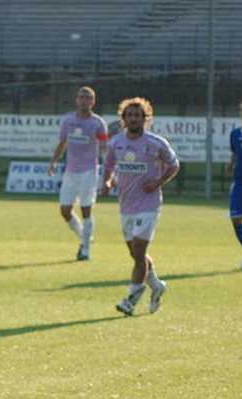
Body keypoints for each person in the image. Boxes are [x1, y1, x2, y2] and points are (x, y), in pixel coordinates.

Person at [103, 97, 179, 316]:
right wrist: (107, 182)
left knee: (138, 250)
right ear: (124, 119)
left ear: (146, 119)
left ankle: (131, 299)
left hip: (149, 204)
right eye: (130, 115)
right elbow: (108, 166)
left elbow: (174, 165)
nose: (134, 118)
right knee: (136, 254)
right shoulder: (116, 142)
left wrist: (157, 182)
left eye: (138, 115)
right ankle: (156, 285)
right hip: (126, 205)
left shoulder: (156, 142)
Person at [48, 86, 108, 261]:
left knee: (86, 209)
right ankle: (85, 236)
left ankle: (85, 250)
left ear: (93, 101)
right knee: (65, 210)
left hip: (89, 171)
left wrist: (109, 171)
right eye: (81, 97)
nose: (84, 100)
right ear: (77, 100)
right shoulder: (68, 121)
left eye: (88, 97)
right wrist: (53, 162)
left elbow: (104, 148)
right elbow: (62, 143)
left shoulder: (98, 123)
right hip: (70, 171)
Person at [227, 98, 242, 269]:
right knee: (235, 219)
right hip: (240, 183)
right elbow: (234, 153)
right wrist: (230, 164)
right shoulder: (235, 134)